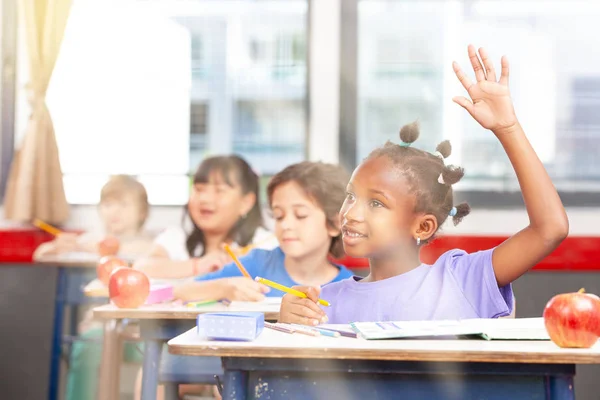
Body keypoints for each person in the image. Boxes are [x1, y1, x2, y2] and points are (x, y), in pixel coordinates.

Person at [279, 45, 568, 326]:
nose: (351, 213)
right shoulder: (323, 303)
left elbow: (550, 229)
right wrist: (289, 325)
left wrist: (508, 129)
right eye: (350, 196)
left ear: (423, 227)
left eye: (376, 203)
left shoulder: (462, 279)